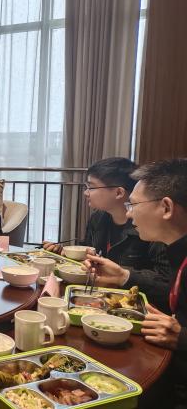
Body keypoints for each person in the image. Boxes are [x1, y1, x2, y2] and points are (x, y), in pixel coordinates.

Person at [83, 159, 187, 406]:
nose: (129, 213)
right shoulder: (177, 251)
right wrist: (122, 277)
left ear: (166, 207)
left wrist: (182, 337)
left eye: (134, 204)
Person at [43, 157, 167, 273]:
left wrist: (123, 276)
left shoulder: (149, 224)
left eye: (91, 187)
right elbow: (88, 255)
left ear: (118, 193)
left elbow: (164, 278)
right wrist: (63, 253)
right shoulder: (97, 218)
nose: (86, 193)